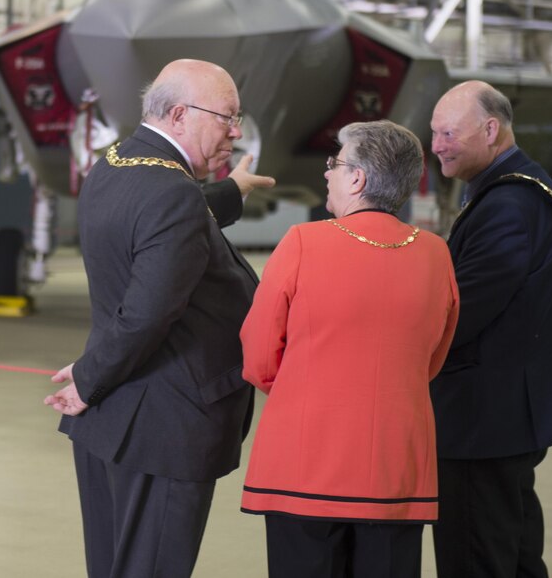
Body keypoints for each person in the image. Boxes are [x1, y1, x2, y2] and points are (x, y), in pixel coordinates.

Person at [44, 59, 273, 578]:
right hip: (165, 428)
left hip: (116, 421)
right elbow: (147, 315)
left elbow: (162, 217)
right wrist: (87, 380)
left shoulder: (117, 162)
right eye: (227, 117)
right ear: (178, 116)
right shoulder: (172, 192)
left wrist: (231, 191)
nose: (236, 131)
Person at [239, 120, 459, 578]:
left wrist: (305, 389)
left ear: (357, 178)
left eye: (334, 163)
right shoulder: (437, 254)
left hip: (305, 463)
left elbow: (259, 353)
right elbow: (433, 359)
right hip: (397, 467)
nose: (326, 174)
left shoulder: (303, 241)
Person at [429, 81, 552, 578]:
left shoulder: (508, 206)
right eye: (434, 133)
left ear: (491, 130)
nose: (436, 146)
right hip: (505, 417)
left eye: (448, 133)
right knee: (514, 555)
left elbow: (460, 313)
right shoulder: (522, 189)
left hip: (482, 422)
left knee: (476, 558)